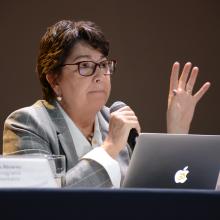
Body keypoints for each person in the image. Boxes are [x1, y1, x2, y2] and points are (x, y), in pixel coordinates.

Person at [2, 20, 210, 188]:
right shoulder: (27, 124)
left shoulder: (114, 122)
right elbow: (41, 206)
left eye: (103, 65)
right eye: (85, 66)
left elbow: (152, 198)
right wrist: (110, 147)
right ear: (54, 79)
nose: (100, 75)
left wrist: (177, 134)